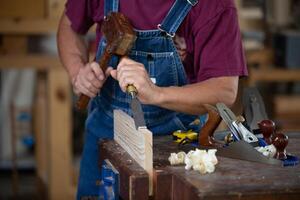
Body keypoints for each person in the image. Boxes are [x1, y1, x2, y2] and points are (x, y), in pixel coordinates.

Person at [57, 0, 248, 198]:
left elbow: (224, 91)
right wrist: (77, 71)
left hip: (177, 148)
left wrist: (156, 94)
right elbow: (69, 26)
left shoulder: (213, 5)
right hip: (104, 137)